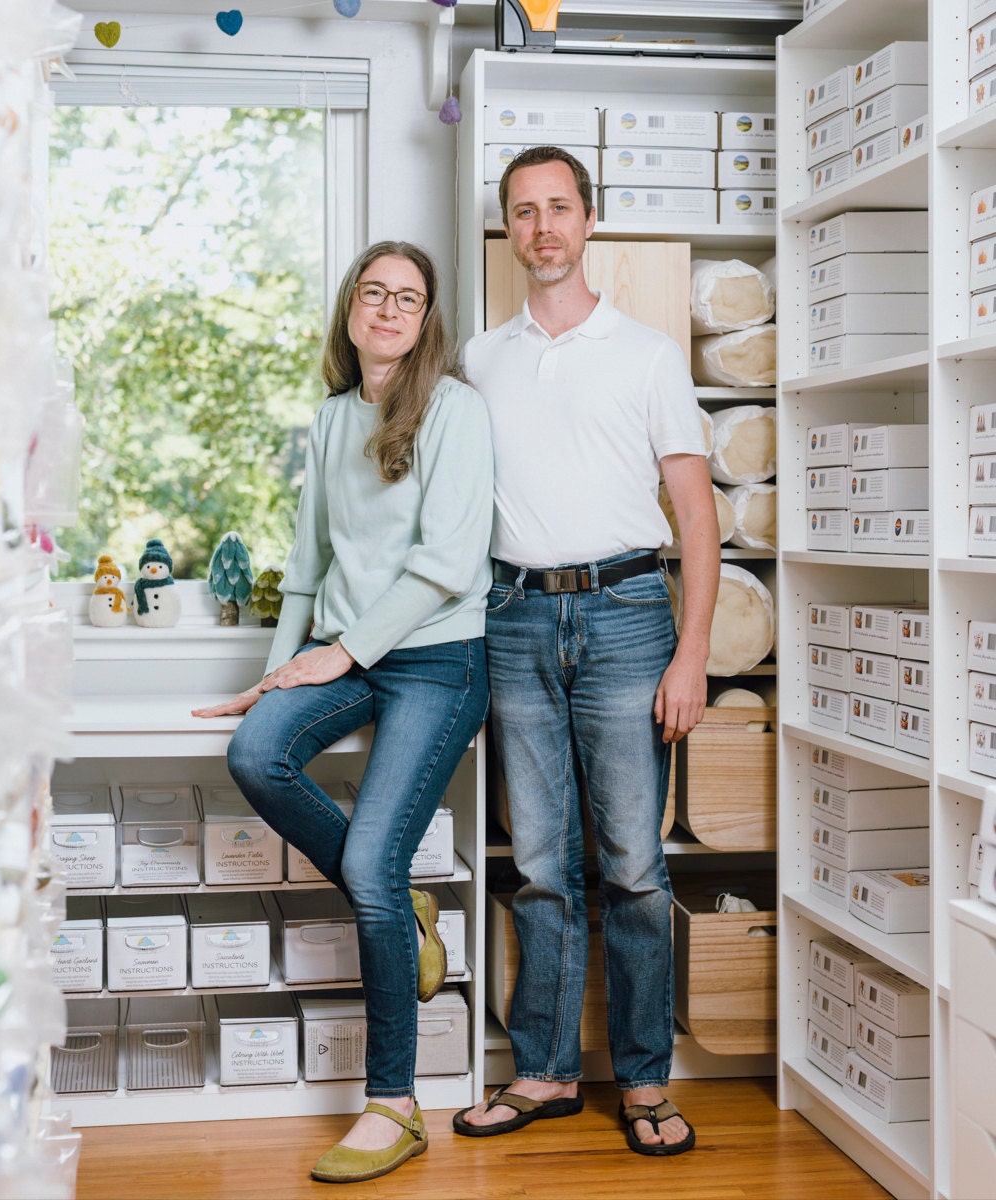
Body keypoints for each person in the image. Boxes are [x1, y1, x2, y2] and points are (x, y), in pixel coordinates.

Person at [192, 241, 493, 1185]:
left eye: (409, 298)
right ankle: (400, 906)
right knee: (255, 752)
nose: (391, 309)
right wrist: (276, 676)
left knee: (369, 855)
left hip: (440, 656)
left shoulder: (455, 409)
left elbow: (447, 563)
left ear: (426, 317)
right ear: (352, 310)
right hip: (352, 653)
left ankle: (394, 1105)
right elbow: (310, 569)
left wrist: (343, 650)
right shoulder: (330, 420)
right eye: (376, 294)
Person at [452, 146, 720, 1157]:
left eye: (558, 208)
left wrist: (689, 650)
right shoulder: (481, 358)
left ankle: (645, 1081)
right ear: (510, 231)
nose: (542, 228)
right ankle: (545, 1071)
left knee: (636, 869)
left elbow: (694, 514)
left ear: (590, 219)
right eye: (523, 213)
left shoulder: (646, 353)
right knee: (542, 867)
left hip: (625, 617)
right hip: (515, 616)